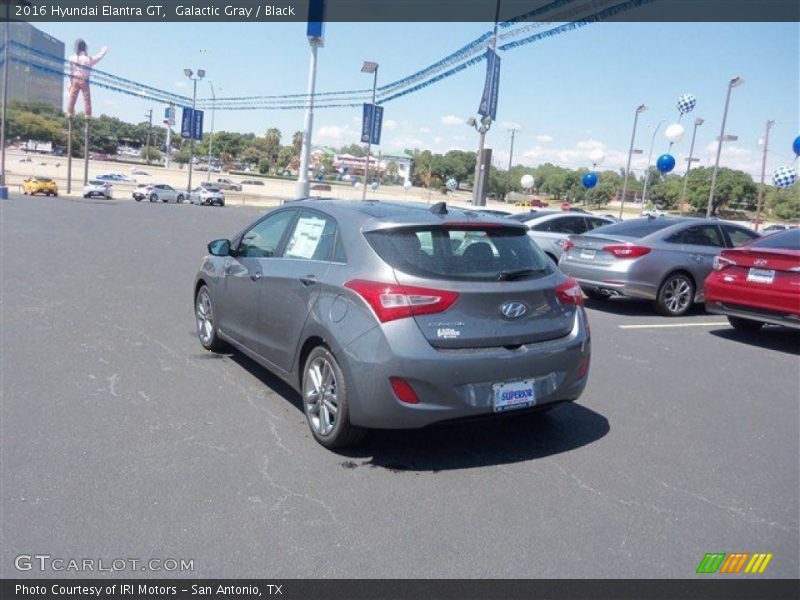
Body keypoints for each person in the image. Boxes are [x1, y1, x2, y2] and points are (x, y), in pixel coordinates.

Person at [67, 39, 108, 117]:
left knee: (72, 99)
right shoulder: (89, 59)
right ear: (85, 48)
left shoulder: (72, 58)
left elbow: (70, 72)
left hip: (75, 80)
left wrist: (70, 83)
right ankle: (87, 118)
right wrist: (104, 51)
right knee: (87, 100)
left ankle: (70, 115)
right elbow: (99, 56)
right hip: (85, 80)